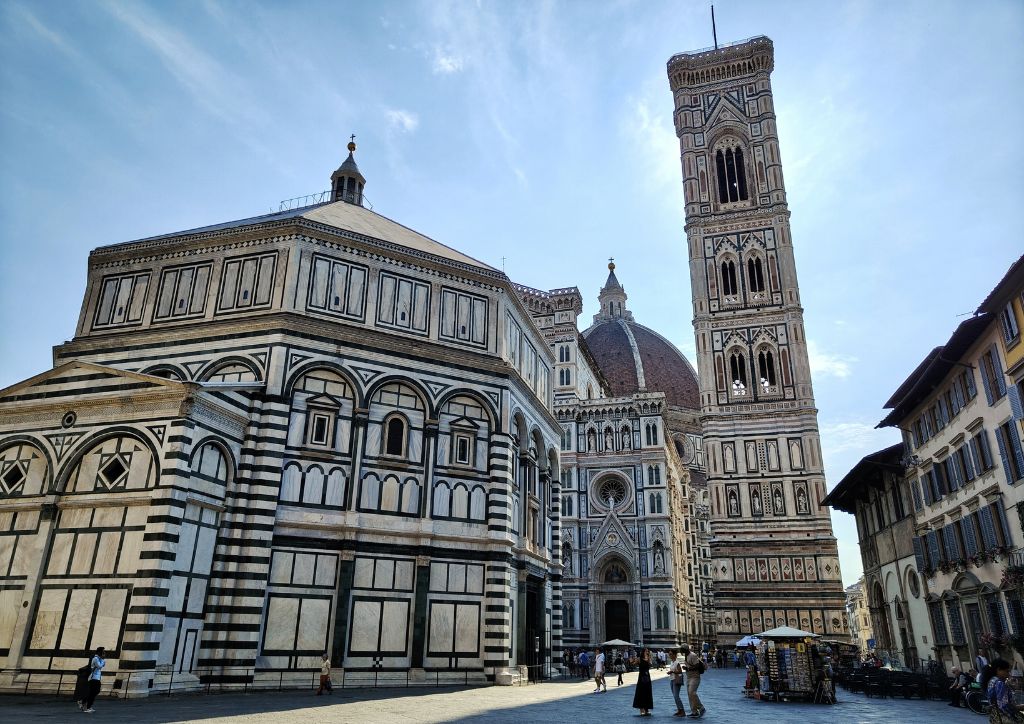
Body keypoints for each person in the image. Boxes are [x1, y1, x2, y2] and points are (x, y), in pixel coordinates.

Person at [982, 658, 1021, 723]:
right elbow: (1004, 706)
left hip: (995, 717)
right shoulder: (999, 683)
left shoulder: (991, 680)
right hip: (1004, 718)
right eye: (1007, 671)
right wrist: (1019, 708)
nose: (1008, 674)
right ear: (998, 669)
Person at [684, 643, 706, 719]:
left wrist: (688, 669)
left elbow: (696, 665)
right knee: (689, 694)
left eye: (682, 649)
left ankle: (701, 708)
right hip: (689, 677)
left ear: (686, 649)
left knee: (692, 693)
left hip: (695, 677)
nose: (681, 650)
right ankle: (694, 711)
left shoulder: (692, 655)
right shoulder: (685, 655)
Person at [81, 646, 105, 713]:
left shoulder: (99, 659)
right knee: (92, 692)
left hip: (97, 678)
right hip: (93, 678)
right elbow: (100, 666)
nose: (104, 653)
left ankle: (88, 705)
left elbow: (103, 665)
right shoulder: (95, 659)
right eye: (103, 652)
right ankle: (84, 704)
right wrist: (103, 660)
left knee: (95, 692)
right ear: (99, 652)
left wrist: (102, 660)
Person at [632, 648, 654, 716]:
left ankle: (647, 709)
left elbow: (651, 665)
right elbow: (634, 664)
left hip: (647, 677)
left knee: (647, 693)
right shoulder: (639, 659)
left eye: (648, 651)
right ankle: (641, 709)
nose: (647, 652)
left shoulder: (648, 658)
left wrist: (649, 658)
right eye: (646, 651)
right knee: (641, 692)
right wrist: (632, 661)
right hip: (641, 677)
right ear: (643, 652)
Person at [669, 648, 688, 717]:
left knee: (676, 696)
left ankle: (682, 711)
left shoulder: (677, 662)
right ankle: (679, 710)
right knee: (675, 696)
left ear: (674, 655)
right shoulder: (672, 662)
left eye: (671, 654)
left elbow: (680, 671)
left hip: (676, 680)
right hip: (671, 680)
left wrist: (672, 672)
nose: (669, 655)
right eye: (669, 654)